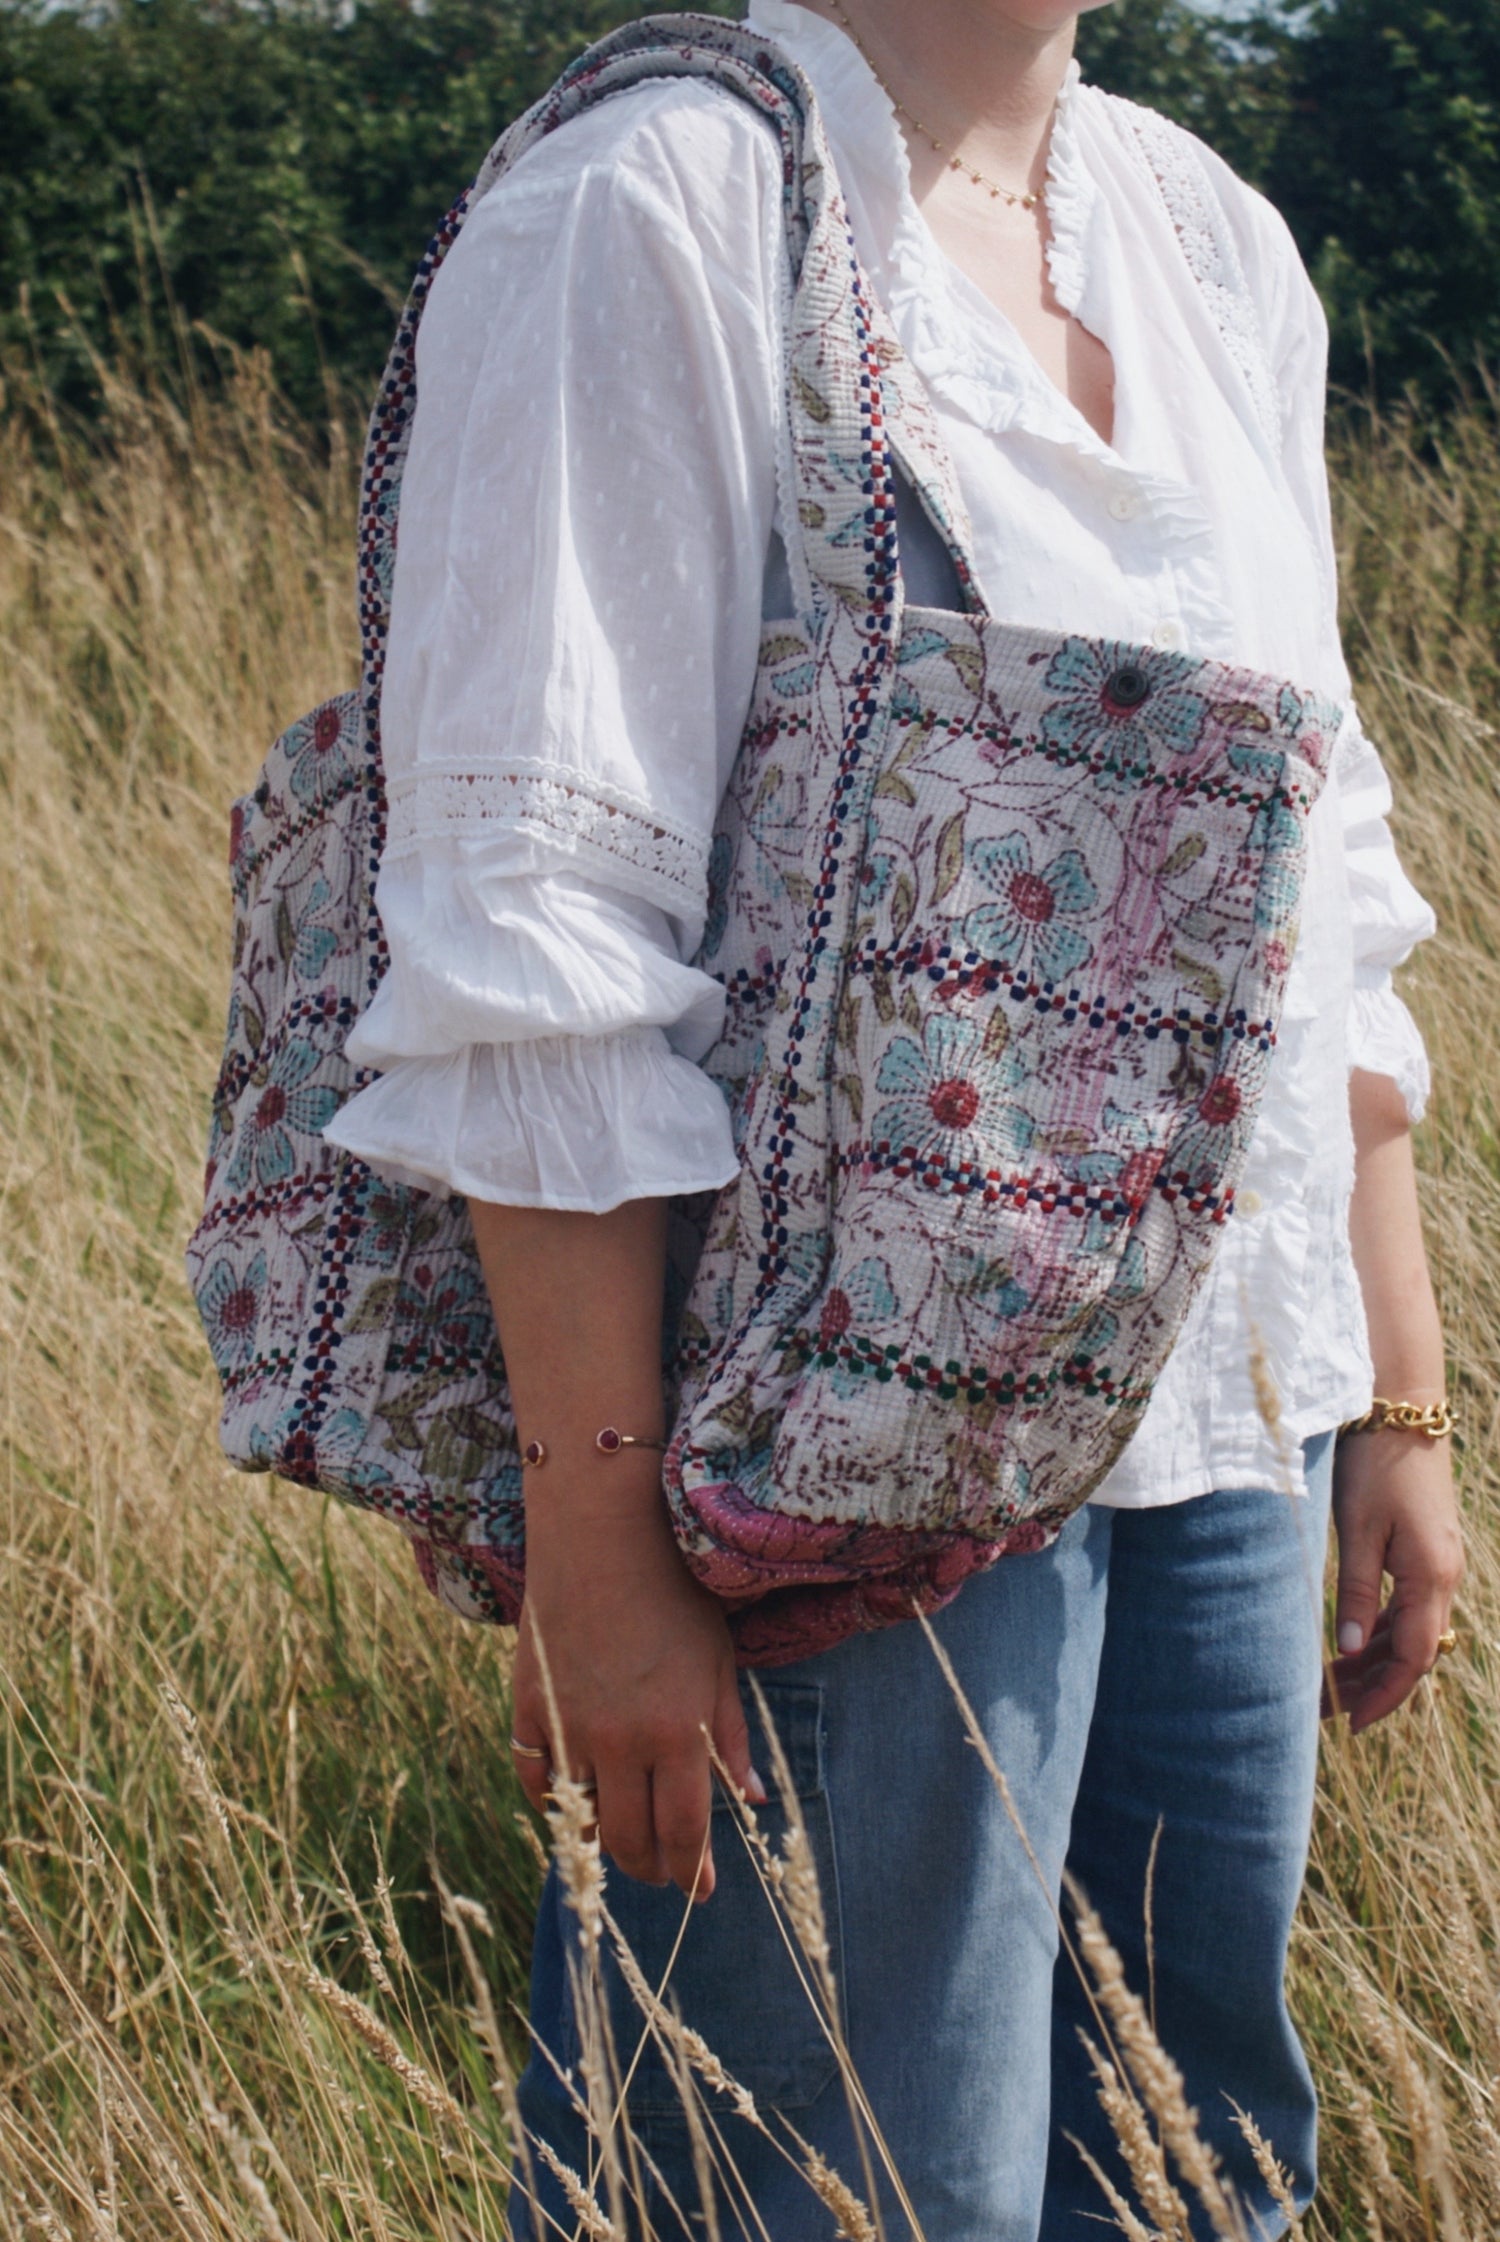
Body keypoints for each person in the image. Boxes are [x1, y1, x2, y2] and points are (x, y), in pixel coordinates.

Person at [323, 0, 1465, 2232]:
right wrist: (602, 1544)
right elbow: (534, 926)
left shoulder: (1203, 233)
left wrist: (1392, 1395)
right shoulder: (654, 199)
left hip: (1223, 1437)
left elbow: (1324, 853)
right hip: (826, 1476)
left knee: (1194, 2169)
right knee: (842, 2181)